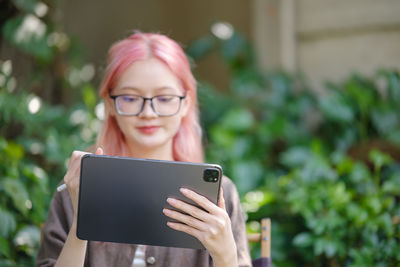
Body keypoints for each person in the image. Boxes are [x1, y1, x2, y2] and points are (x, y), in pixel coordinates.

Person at [36, 31, 252, 267]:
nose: (148, 113)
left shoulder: (218, 197)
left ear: (186, 103)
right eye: (129, 98)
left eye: (164, 98)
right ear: (110, 104)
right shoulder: (77, 186)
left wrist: (226, 256)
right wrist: (82, 222)